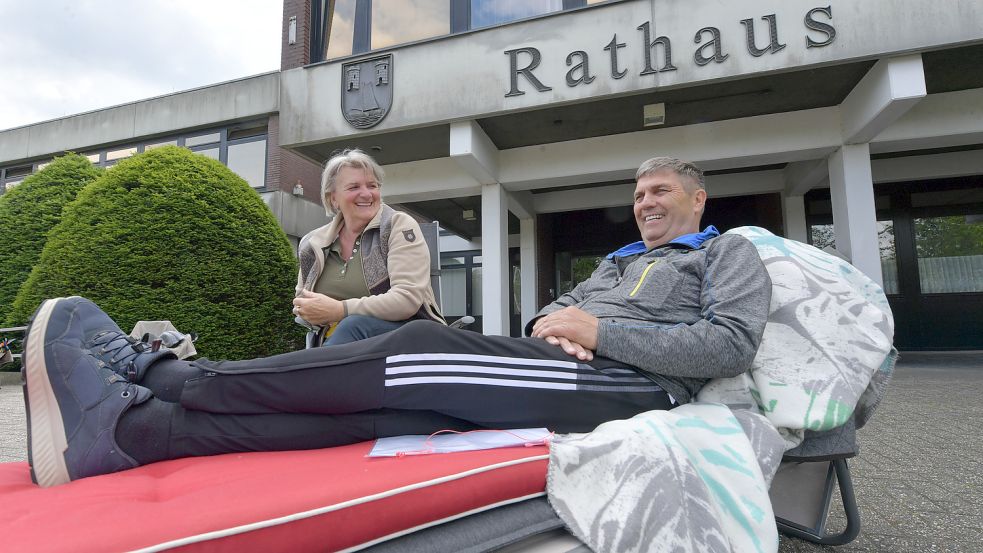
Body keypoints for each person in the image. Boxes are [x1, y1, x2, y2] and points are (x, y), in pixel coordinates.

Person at [22, 157, 772, 488]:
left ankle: (162, 373)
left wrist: (595, 331)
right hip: (562, 363)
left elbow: (728, 344)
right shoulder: (614, 262)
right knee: (388, 412)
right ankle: (137, 433)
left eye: (661, 191)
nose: (645, 202)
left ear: (696, 200)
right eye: (639, 191)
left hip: (627, 384)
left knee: (414, 347)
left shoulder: (725, 253)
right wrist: (560, 319)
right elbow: (558, 309)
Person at [292, 148, 444, 346]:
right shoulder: (313, 243)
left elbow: (407, 300)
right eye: (354, 187)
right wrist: (311, 312)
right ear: (333, 198)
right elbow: (302, 304)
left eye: (372, 185)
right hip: (339, 344)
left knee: (353, 326)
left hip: (408, 337)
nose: (366, 194)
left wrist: (341, 310)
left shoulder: (397, 226)